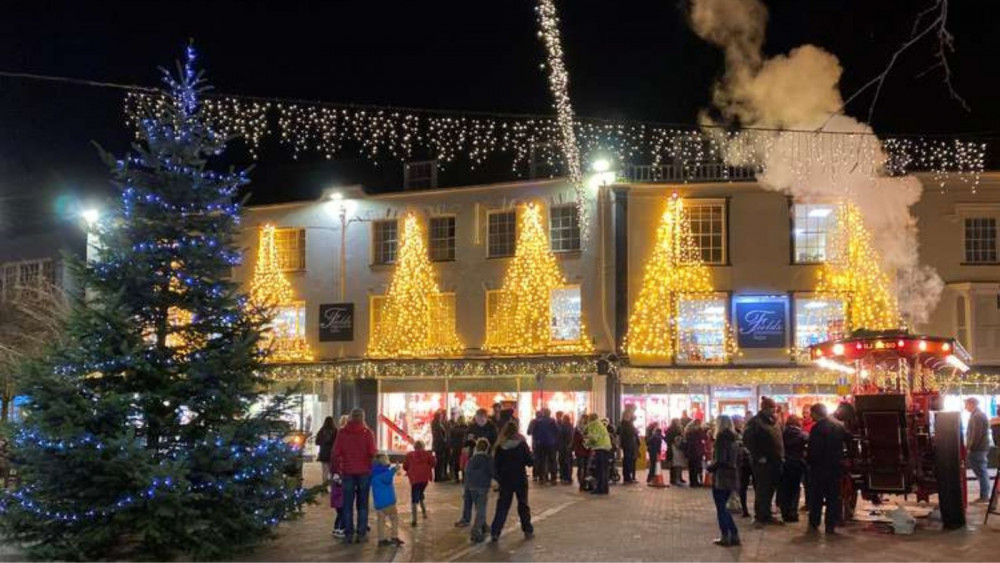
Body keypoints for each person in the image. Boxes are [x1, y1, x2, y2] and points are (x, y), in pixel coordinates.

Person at [332, 408, 377, 544]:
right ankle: (361, 533)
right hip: (364, 473)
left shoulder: (342, 433)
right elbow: (372, 453)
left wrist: (336, 470)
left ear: (350, 417)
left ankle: (349, 534)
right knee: (362, 505)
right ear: (363, 418)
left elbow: (335, 453)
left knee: (347, 505)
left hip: (347, 473)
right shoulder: (367, 433)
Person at [490, 420, 534, 541]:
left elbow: (496, 465)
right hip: (520, 478)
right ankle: (527, 529)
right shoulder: (521, 444)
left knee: (502, 506)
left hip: (505, 480)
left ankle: (495, 531)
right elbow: (530, 462)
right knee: (523, 504)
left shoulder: (500, 446)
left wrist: (498, 478)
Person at [743, 396, 784, 526]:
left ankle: (767, 513)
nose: (773, 411)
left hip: (776, 460)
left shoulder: (774, 421)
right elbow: (748, 440)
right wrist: (758, 456)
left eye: (774, 409)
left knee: (771, 488)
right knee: (762, 488)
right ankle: (760, 515)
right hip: (763, 462)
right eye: (771, 408)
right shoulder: (755, 422)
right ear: (764, 409)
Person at [807, 403, 846, 534]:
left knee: (816, 497)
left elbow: (814, 450)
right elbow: (849, 440)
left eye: (811, 413)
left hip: (819, 468)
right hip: (835, 468)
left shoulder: (817, 428)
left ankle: (814, 522)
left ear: (816, 413)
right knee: (833, 497)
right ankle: (830, 525)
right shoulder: (839, 425)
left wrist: (810, 462)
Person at [708, 415, 741, 547]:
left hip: (721, 476)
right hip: (732, 474)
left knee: (721, 508)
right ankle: (734, 534)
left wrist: (710, 468)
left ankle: (726, 535)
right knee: (724, 507)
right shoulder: (734, 438)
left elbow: (721, 460)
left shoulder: (721, 439)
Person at [461, 438, 494, 542]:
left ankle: (483, 526)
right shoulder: (488, 459)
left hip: (471, 487)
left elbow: (467, 472)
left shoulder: (471, 460)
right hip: (482, 486)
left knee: (478, 507)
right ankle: (476, 530)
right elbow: (492, 471)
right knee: (481, 509)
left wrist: (466, 488)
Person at [777, 414, 808, 522]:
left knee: (784, 488)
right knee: (795, 489)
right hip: (797, 464)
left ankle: (784, 512)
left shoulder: (781, 434)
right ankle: (792, 512)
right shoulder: (802, 435)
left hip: (784, 463)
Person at [370, 453, 403, 547]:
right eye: (387, 459)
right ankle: (394, 537)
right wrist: (394, 469)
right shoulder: (384, 472)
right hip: (388, 502)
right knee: (394, 518)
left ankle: (381, 539)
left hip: (379, 503)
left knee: (381, 521)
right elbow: (387, 478)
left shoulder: (373, 473)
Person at [403, 440, 435, 526]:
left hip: (414, 478)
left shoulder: (409, 455)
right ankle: (424, 512)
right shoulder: (427, 454)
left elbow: (405, 466)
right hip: (424, 478)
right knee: (420, 493)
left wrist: (409, 469)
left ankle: (414, 519)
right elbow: (433, 463)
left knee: (414, 498)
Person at [965, 397, 992, 503]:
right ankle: (984, 495)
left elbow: (976, 434)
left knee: (981, 471)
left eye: (966, 404)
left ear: (972, 404)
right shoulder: (976, 415)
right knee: (981, 472)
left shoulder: (977, 416)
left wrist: (970, 447)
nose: (965, 407)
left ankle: (985, 496)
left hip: (978, 449)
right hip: (979, 448)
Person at [585, 413, 613, 495]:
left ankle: (599, 489)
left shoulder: (592, 425)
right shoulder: (600, 424)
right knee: (604, 470)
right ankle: (605, 488)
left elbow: (594, 438)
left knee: (599, 470)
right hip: (606, 448)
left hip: (599, 448)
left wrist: (587, 444)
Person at [530, 409, 559, 485]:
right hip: (551, 443)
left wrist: (537, 440)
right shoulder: (552, 421)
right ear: (549, 414)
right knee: (552, 461)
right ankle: (553, 479)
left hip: (541, 443)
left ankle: (542, 478)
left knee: (542, 461)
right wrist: (554, 439)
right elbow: (557, 430)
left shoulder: (538, 421)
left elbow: (534, 432)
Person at [734, 415, 753, 518]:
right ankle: (744, 509)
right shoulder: (735, 433)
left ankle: (745, 509)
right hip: (743, 462)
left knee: (743, 486)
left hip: (746, 462)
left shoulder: (742, 432)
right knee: (742, 486)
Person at [620, 407, 641, 484]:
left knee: (630, 461)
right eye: (631, 413)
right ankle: (627, 478)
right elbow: (627, 433)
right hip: (628, 444)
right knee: (627, 461)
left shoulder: (629, 423)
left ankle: (630, 477)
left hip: (631, 444)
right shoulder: (625, 424)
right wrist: (634, 431)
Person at [684, 418, 707, 488]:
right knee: (697, 467)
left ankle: (692, 482)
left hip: (690, 451)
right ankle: (696, 482)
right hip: (697, 451)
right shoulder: (698, 430)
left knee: (692, 467)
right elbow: (704, 437)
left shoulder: (688, 431)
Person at [315, 416, 337, 486]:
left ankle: (324, 486)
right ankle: (331, 485)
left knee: (325, 471)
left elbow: (317, 442)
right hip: (332, 453)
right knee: (332, 470)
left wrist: (323, 443)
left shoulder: (321, 430)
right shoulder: (335, 430)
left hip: (323, 452)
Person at [573, 416, 591, 491]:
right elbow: (576, 439)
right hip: (581, 450)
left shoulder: (588, 428)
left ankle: (584, 483)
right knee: (582, 468)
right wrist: (585, 438)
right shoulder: (578, 429)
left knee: (585, 468)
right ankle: (582, 484)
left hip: (586, 450)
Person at [431, 410, 450, 483]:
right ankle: (438, 476)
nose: (441, 417)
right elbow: (438, 434)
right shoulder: (435, 424)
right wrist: (443, 439)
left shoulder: (439, 423)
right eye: (440, 416)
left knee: (441, 460)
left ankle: (440, 475)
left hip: (440, 444)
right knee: (439, 460)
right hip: (438, 444)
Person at [449, 415, 469, 483]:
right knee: (464, 463)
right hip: (462, 447)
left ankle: (457, 477)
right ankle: (463, 477)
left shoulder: (454, 428)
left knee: (457, 462)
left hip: (457, 447)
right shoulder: (467, 428)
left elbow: (451, 438)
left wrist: (451, 446)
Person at [557, 413, 575, 484]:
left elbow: (560, 435)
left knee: (563, 462)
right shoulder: (571, 426)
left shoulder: (563, 427)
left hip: (563, 447)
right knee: (567, 462)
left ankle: (564, 476)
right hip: (567, 447)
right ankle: (568, 477)